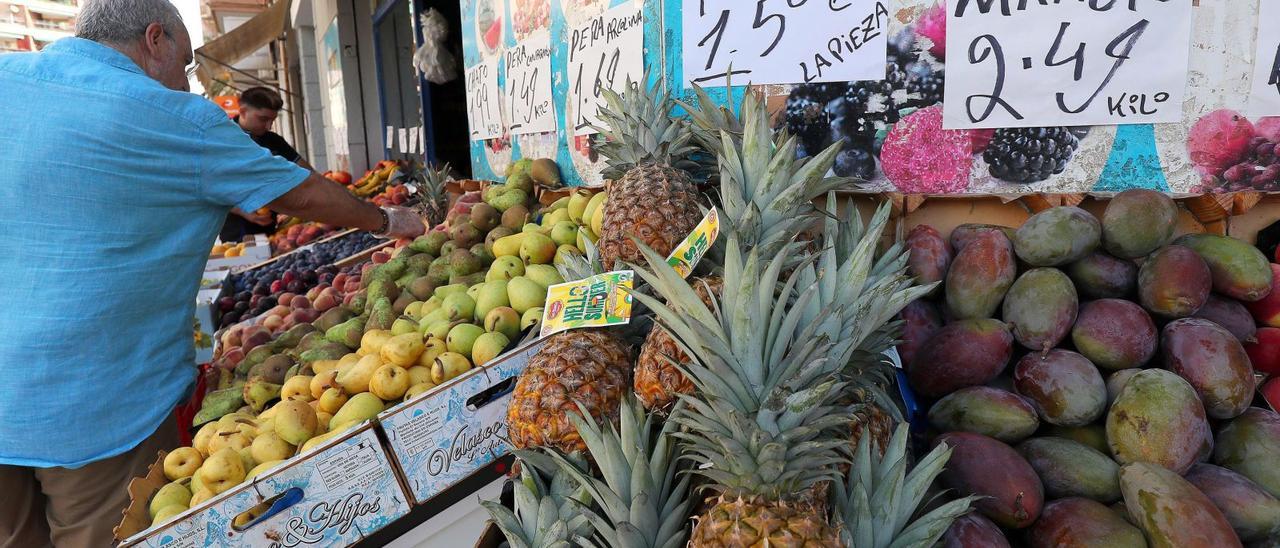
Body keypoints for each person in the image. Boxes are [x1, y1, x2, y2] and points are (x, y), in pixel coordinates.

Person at [0, 1, 425, 545]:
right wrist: (386, 219)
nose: (186, 80)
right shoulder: (172, 116)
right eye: (187, 62)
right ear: (155, 40)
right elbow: (302, 194)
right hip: (93, 411)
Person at [219, 86, 308, 243]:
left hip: (273, 231)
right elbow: (211, 187)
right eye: (263, 119)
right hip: (236, 236)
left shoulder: (273, 140)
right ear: (243, 110)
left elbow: (306, 171)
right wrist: (243, 211)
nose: (268, 126)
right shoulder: (221, 139)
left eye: (272, 120)